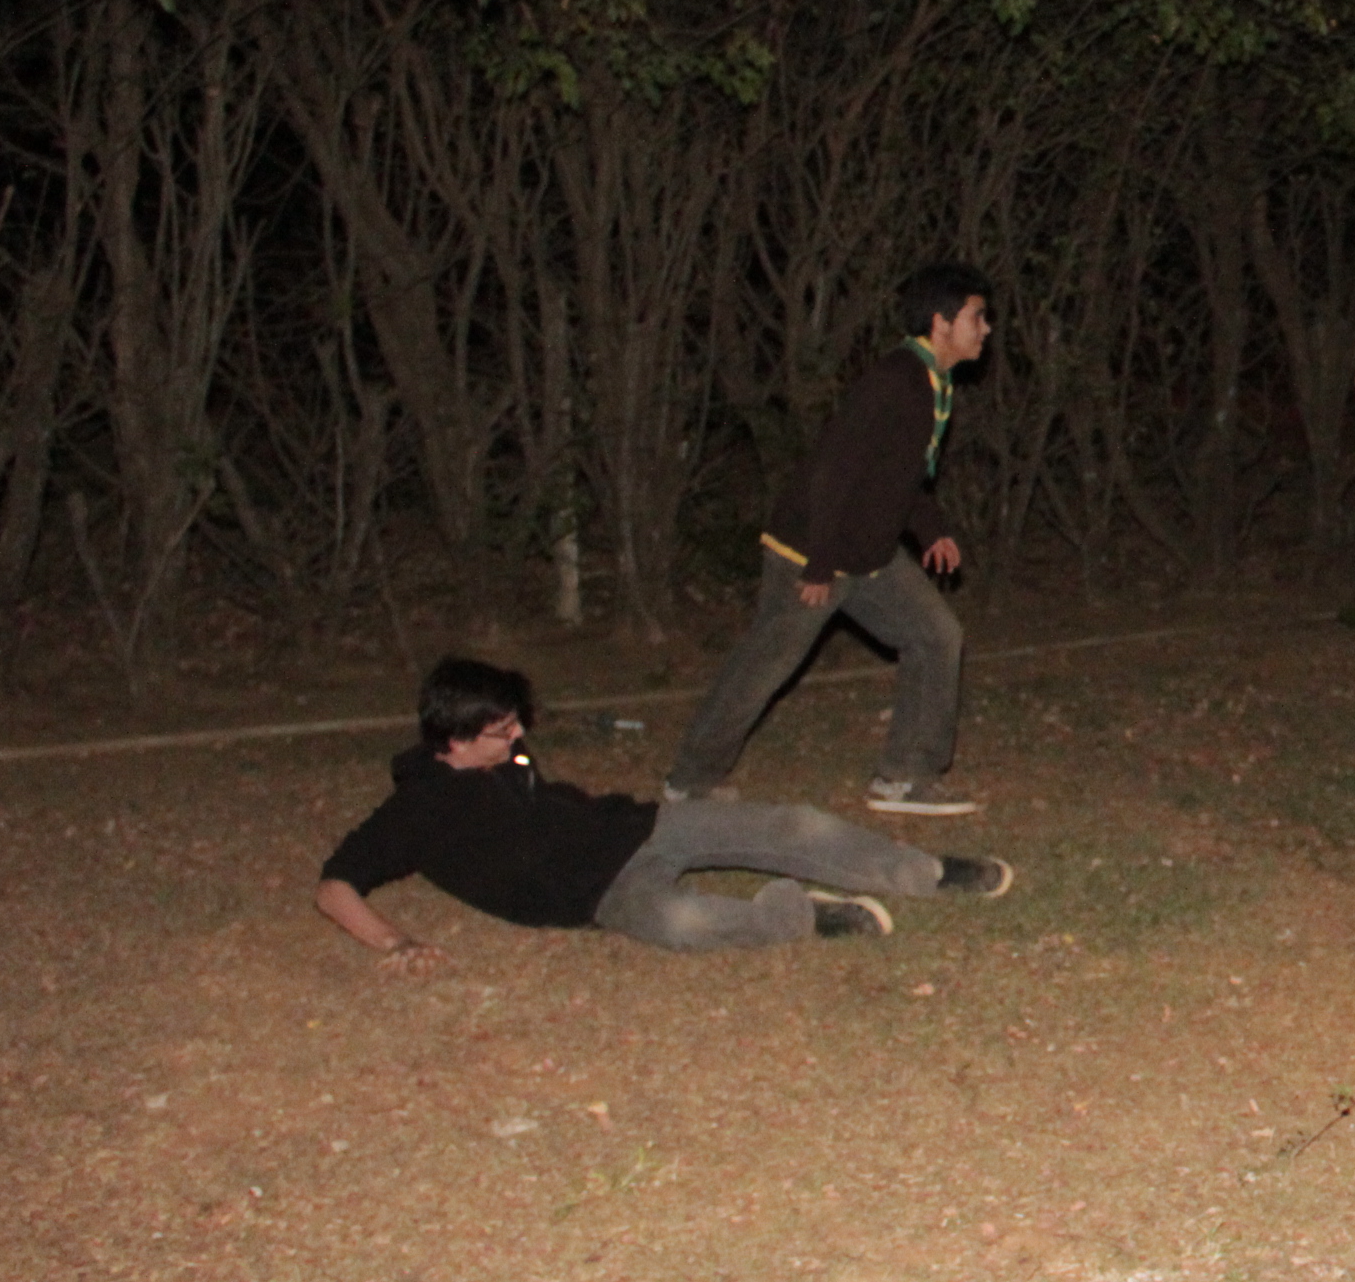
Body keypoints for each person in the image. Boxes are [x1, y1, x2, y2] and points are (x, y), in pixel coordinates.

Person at [320, 659, 1011, 967]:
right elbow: (334, 885)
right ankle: (808, 917)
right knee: (684, 924)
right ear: (455, 739)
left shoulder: (508, 759)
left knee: (789, 824)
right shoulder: (416, 810)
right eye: (502, 731)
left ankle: (925, 873)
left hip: (637, 826)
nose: (519, 738)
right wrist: (396, 944)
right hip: (600, 896)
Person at [668, 263, 992, 817]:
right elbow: (833, 472)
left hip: (868, 553)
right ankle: (689, 781)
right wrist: (817, 564)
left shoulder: (934, 383)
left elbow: (900, 474)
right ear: (941, 322)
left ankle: (905, 777)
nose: (986, 329)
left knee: (937, 635)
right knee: (766, 663)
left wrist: (932, 528)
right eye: (977, 317)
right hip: (813, 549)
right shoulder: (895, 381)